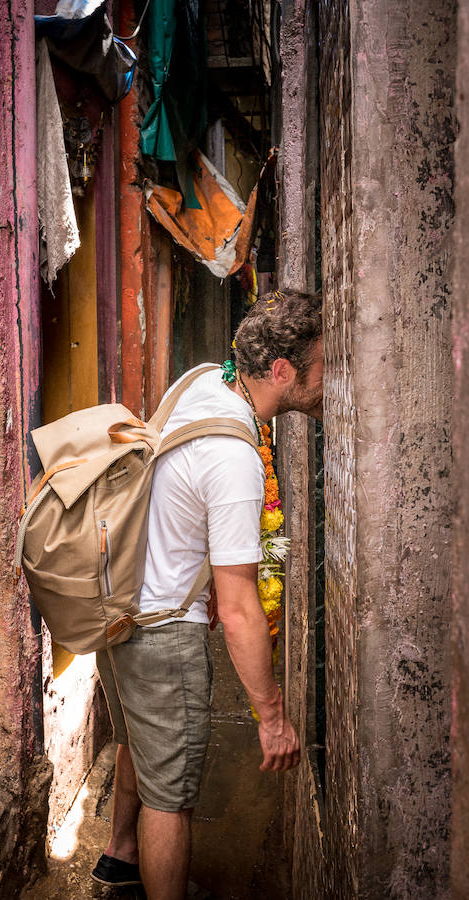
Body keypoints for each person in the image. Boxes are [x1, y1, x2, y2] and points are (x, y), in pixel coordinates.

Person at [92, 289, 323, 899]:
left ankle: (120, 855)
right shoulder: (236, 459)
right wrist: (270, 718)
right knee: (172, 798)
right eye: (323, 364)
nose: (330, 377)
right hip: (162, 634)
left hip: (118, 609)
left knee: (140, 743)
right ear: (282, 371)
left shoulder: (203, 383)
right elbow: (241, 605)